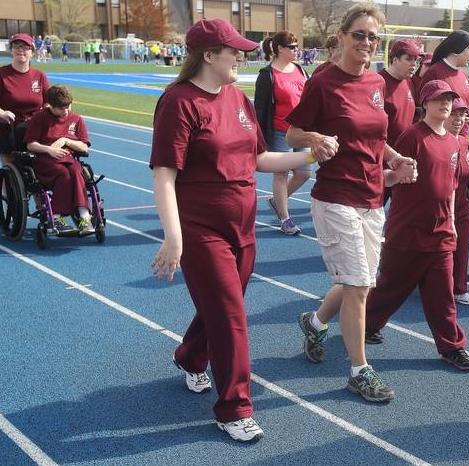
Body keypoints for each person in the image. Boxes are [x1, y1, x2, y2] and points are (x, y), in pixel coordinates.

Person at [150, 18, 318, 442]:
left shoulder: (238, 98)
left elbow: (260, 159)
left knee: (221, 309)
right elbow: (165, 175)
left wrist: (313, 156)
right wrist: (174, 237)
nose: (242, 56)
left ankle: (190, 356)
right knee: (231, 317)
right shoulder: (179, 102)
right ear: (209, 56)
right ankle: (234, 408)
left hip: (242, 228)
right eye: (234, 51)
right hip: (202, 230)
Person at [286, 3, 417, 403]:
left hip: (372, 194)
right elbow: (293, 133)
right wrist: (315, 140)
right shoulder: (324, 82)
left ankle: (314, 321)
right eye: (359, 34)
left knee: (358, 280)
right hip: (335, 196)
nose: (366, 43)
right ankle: (360, 370)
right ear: (342, 36)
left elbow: (376, 138)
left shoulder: (376, 83)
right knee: (360, 285)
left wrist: (395, 158)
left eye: (373, 37)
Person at [365, 80, 469, 371]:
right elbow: (387, 171)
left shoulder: (454, 141)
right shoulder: (412, 136)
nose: (446, 104)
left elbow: (451, 187)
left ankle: (451, 346)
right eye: (439, 99)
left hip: (440, 232)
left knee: (442, 294)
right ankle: (366, 323)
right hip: (408, 230)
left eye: (449, 99)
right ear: (425, 103)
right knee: (391, 286)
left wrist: (450, 220)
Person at [254, 31, 311, 235]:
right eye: (293, 46)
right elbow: (260, 108)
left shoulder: (301, 70)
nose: (297, 50)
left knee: (304, 173)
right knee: (281, 173)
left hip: (301, 130)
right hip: (279, 131)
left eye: (297, 46)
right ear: (280, 49)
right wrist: (258, 136)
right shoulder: (267, 75)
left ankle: (277, 200)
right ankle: (285, 218)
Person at [24, 85, 94, 235]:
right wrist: (48, 149)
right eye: (61, 108)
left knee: (76, 171)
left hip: (68, 159)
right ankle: (56, 218)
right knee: (64, 173)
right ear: (51, 106)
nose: (66, 111)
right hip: (45, 161)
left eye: (68, 106)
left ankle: (84, 216)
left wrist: (66, 140)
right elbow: (30, 144)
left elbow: (84, 147)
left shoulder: (76, 119)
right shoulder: (40, 118)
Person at [445, 98, 469, 306]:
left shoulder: (466, 143)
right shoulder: (430, 139)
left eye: (463, 114)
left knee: (462, 247)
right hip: (436, 208)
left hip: (462, 206)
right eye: (454, 114)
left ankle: (459, 288)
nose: (459, 119)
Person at [419, 30, 469, 137]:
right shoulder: (434, 72)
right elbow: (423, 109)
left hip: (462, 139)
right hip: (441, 139)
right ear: (458, 49)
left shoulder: (465, 75)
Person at [0, 33, 51, 158]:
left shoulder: (40, 75)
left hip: (35, 131)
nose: (20, 50)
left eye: (25, 47)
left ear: (32, 52)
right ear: (11, 50)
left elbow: (49, 102)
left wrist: (45, 113)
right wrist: (1, 113)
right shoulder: (2, 74)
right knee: (11, 172)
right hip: (9, 132)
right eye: (16, 46)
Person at [380, 39, 421, 147]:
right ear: (394, 60)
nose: (414, 64)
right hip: (385, 156)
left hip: (405, 152)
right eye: (408, 59)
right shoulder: (378, 82)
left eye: (416, 60)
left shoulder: (408, 81)